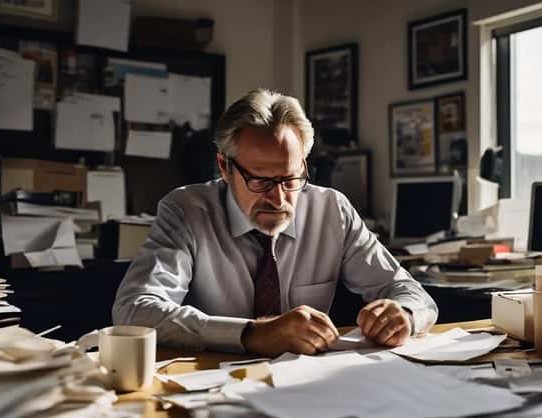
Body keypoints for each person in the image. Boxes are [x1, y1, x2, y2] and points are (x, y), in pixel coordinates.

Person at [113, 89, 438, 356]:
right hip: (209, 383)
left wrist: (404, 315)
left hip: (305, 386)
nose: (278, 198)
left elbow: (409, 291)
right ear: (224, 168)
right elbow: (133, 310)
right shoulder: (187, 210)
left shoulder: (331, 210)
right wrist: (252, 334)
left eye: (290, 178)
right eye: (259, 180)